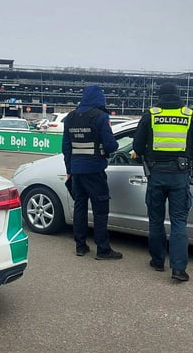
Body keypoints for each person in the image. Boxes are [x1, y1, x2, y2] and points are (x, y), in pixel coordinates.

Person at [132, 83, 193, 281]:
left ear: (160, 96)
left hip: (156, 174)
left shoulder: (151, 115)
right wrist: (188, 157)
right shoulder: (189, 115)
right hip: (180, 174)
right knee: (179, 222)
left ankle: (157, 261)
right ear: (178, 96)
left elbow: (137, 146)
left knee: (155, 220)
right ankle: (178, 269)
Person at [62, 85, 122, 260]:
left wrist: (69, 170)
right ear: (100, 99)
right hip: (95, 170)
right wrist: (114, 147)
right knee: (100, 209)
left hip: (76, 171)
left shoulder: (70, 117)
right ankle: (103, 249)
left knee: (80, 207)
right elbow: (111, 145)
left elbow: (66, 147)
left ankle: (80, 246)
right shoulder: (101, 117)